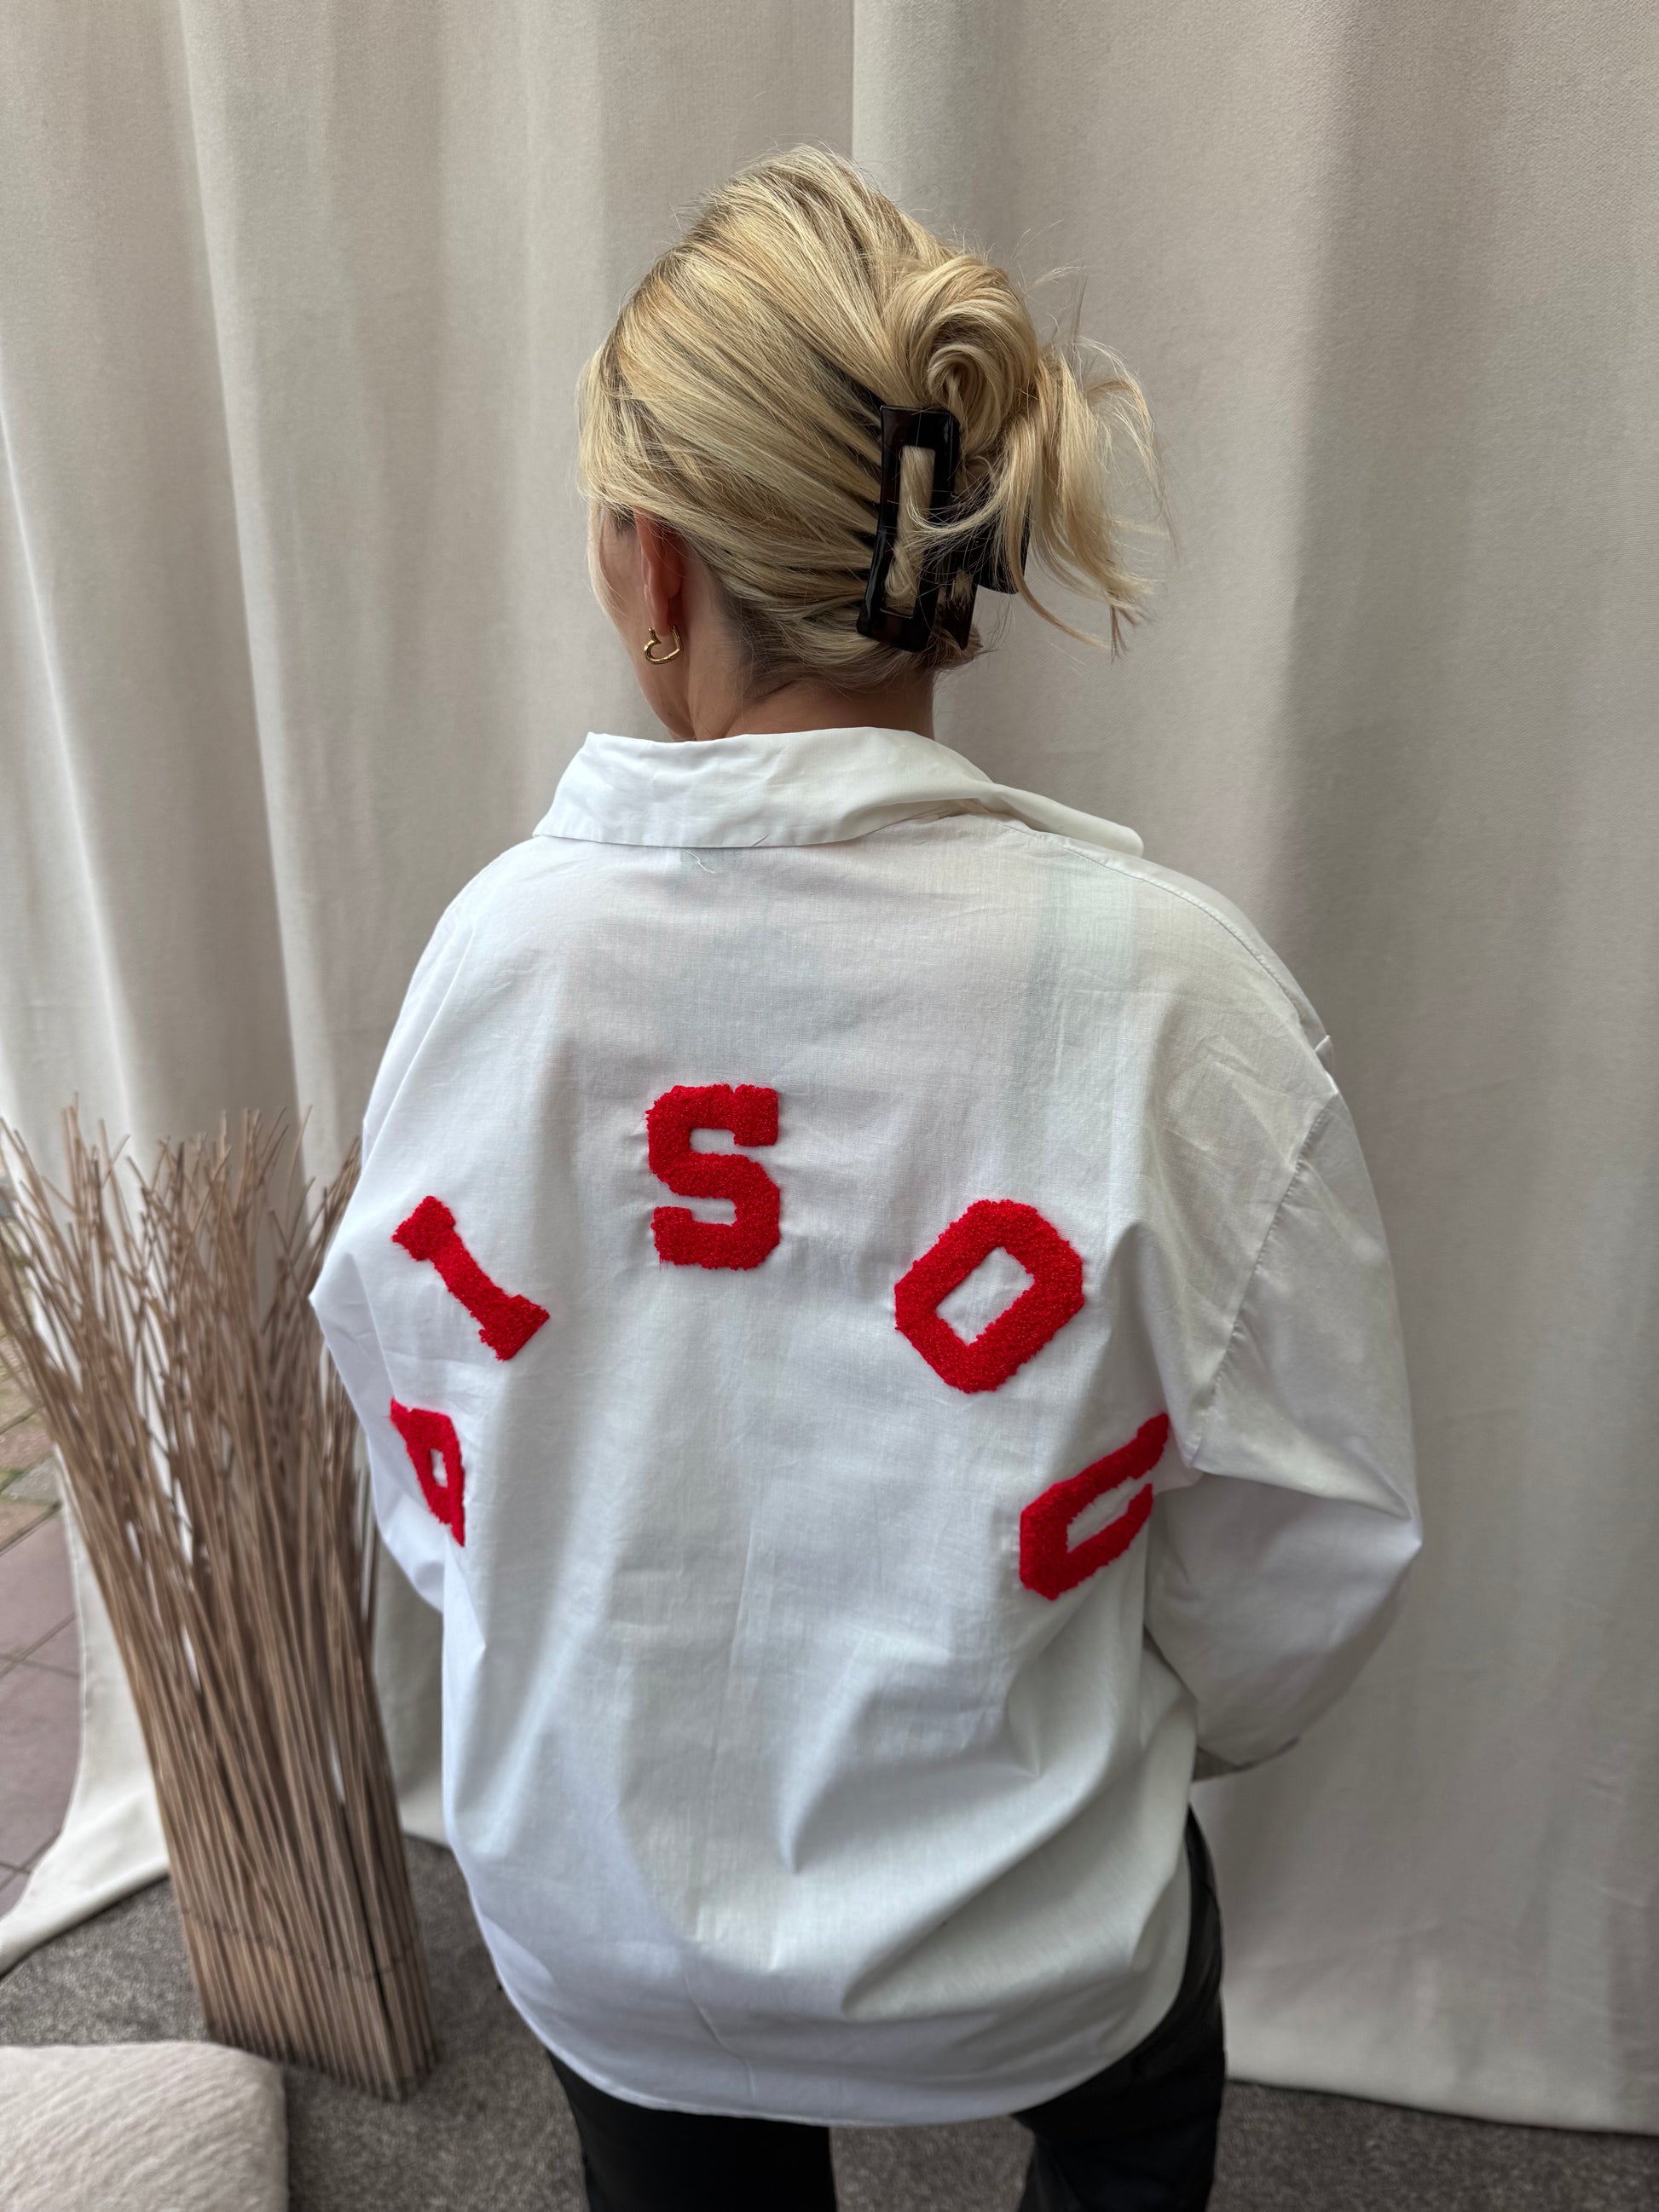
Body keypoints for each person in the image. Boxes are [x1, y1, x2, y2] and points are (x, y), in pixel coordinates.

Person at [310, 143, 1423, 2212]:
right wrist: (1091, 1704)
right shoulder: (1177, 1001)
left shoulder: (492, 967)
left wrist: (623, 1666)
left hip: (605, 1912)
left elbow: (431, 1456)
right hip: (1032, 1927)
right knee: (1138, 2088)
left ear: (651, 568)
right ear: (953, 564)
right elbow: (1311, 1541)